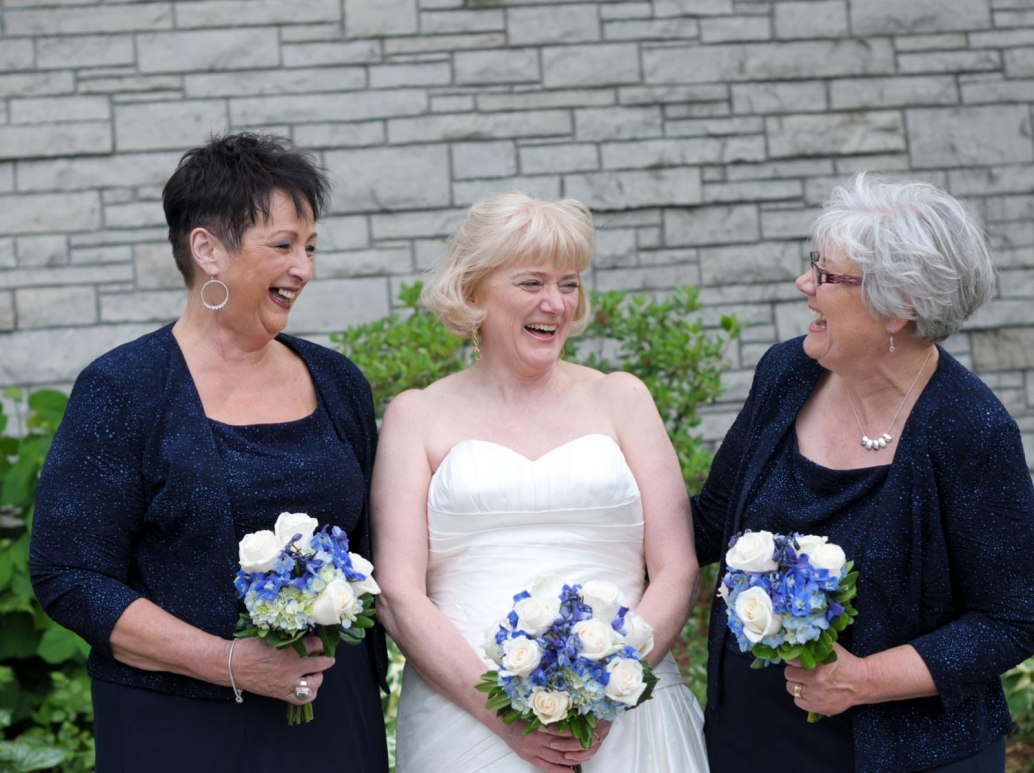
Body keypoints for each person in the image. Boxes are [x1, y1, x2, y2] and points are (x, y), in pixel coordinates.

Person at [29, 133, 388, 772]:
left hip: (331, 713)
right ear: (208, 250)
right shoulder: (124, 389)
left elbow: (372, 554)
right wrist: (230, 663)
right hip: (179, 728)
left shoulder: (338, 383)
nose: (303, 268)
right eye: (282, 245)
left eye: (310, 247)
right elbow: (69, 576)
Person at [693, 173, 1034, 773]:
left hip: (909, 756)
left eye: (826, 276)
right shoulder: (786, 374)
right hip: (750, 741)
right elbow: (709, 521)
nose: (805, 285)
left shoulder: (970, 429)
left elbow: (1012, 618)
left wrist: (864, 679)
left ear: (899, 306)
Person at [370, 191, 710, 773]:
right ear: (473, 291)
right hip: (465, 718)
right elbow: (399, 594)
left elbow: (677, 568)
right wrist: (501, 715)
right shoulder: (416, 416)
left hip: (628, 717)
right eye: (532, 283)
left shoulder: (622, 399)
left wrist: (614, 686)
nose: (555, 304)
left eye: (568, 284)